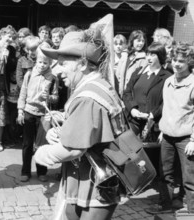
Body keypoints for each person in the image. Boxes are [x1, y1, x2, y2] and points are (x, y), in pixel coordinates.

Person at [35, 30, 125, 220]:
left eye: (63, 64)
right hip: (89, 178)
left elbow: (74, 150)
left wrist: (42, 153)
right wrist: (57, 132)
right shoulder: (96, 85)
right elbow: (85, 130)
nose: (58, 71)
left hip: (94, 183)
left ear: (82, 64)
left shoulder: (87, 97)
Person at [145, 42, 194, 215]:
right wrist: (163, 130)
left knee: (189, 178)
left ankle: (192, 211)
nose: (176, 64)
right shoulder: (167, 82)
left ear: (189, 62)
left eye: (181, 61)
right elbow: (167, 107)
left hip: (186, 138)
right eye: (174, 60)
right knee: (165, 174)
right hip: (167, 136)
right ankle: (165, 205)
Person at [17, 45, 58, 182]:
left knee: (42, 144)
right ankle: (26, 171)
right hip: (29, 111)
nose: (42, 65)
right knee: (27, 143)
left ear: (50, 63)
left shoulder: (52, 78)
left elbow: (55, 97)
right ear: (36, 62)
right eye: (40, 62)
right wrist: (20, 110)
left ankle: (42, 171)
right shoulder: (29, 74)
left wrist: (49, 97)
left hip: (43, 115)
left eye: (45, 63)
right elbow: (23, 92)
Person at [122, 42, 171, 141]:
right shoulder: (138, 72)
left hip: (153, 125)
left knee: (148, 155)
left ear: (160, 56)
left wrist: (152, 115)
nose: (149, 58)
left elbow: (167, 102)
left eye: (153, 55)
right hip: (133, 120)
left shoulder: (167, 77)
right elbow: (127, 93)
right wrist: (132, 109)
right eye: (147, 54)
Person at [116, 30, 148, 97]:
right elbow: (118, 74)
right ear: (132, 40)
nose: (141, 43)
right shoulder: (125, 54)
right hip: (120, 93)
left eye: (143, 41)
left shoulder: (144, 58)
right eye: (138, 40)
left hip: (132, 96)